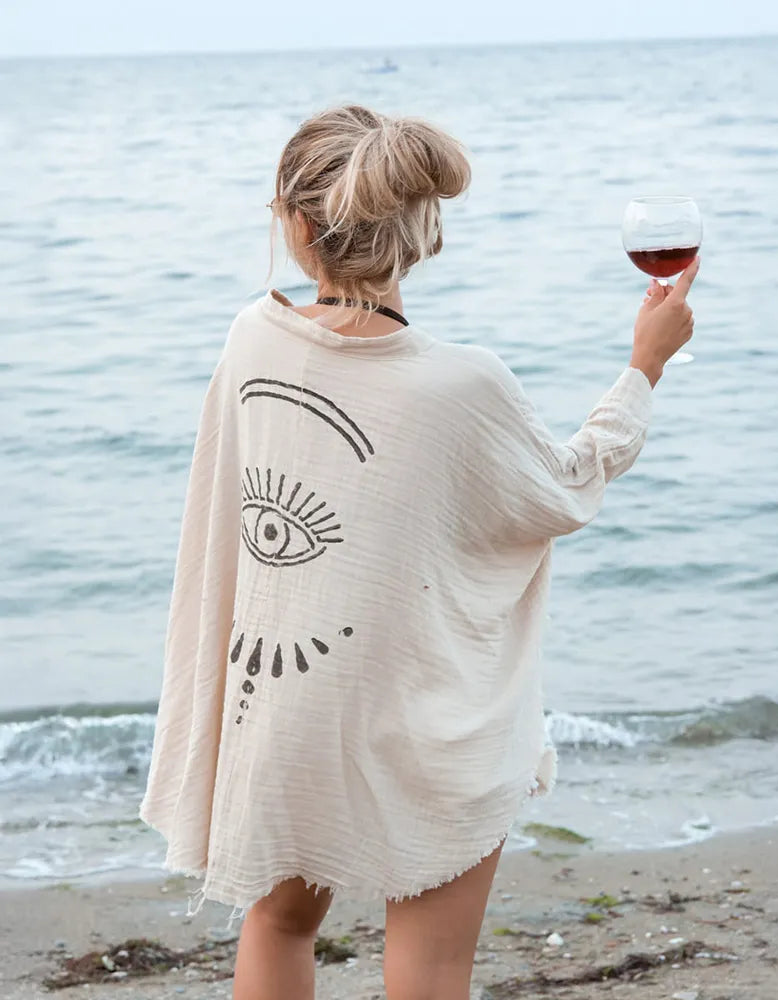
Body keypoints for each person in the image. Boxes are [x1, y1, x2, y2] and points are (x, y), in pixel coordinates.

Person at [138, 103, 698, 1000]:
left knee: (279, 923)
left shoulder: (251, 340)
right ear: (422, 227)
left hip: (286, 701)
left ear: (292, 223)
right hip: (419, 721)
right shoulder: (458, 383)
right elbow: (567, 486)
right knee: (432, 966)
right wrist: (645, 366)